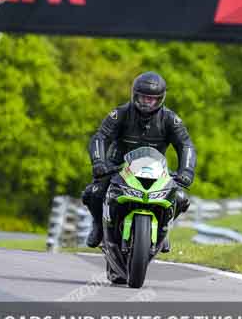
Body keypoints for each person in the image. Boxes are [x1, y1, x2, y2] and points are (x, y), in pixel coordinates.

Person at [82, 71, 196, 250]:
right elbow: (100, 137)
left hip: (155, 169)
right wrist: (99, 163)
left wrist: (186, 171)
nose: (147, 102)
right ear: (135, 95)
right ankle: (98, 226)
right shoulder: (120, 114)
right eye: (143, 98)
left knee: (180, 198)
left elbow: (186, 145)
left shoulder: (171, 120)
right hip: (118, 167)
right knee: (94, 192)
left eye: (151, 99)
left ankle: (162, 230)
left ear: (160, 99)